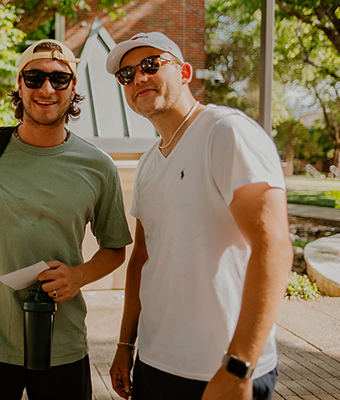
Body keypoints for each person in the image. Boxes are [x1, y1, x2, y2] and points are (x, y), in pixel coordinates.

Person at [105, 32, 293, 400]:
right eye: (126, 75)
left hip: (221, 370)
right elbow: (142, 259)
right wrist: (126, 346)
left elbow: (274, 246)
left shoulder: (226, 132)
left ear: (186, 72)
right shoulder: (146, 164)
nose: (138, 78)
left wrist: (239, 366)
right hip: (154, 365)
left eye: (150, 65)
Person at [0, 39, 133, 400]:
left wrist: (78, 276)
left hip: (61, 344)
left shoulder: (98, 166)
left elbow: (115, 250)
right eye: (34, 78)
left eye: (59, 79)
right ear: (19, 85)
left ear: (73, 87)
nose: (46, 89)